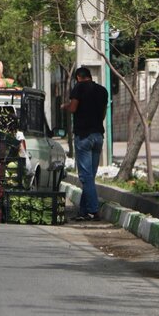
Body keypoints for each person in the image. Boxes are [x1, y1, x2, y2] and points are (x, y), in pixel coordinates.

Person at [62, 67, 108, 221]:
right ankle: (83, 211)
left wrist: (65, 106)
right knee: (90, 177)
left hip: (83, 136)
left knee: (85, 176)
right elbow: (102, 114)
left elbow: (73, 107)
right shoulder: (102, 91)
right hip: (98, 136)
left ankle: (94, 210)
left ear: (78, 77)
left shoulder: (78, 87)